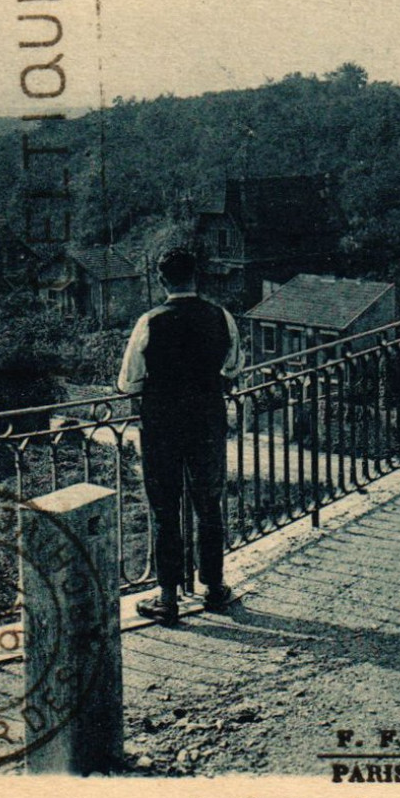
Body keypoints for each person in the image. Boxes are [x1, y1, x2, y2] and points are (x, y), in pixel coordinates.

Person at [117, 247, 245, 623]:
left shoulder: (149, 322)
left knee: (164, 507)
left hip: (162, 426)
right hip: (207, 420)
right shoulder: (221, 316)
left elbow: (128, 383)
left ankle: (168, 596)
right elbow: (233, 366)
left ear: (161, 280)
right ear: (197, 276)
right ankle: (215, 587)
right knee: (209, 503)